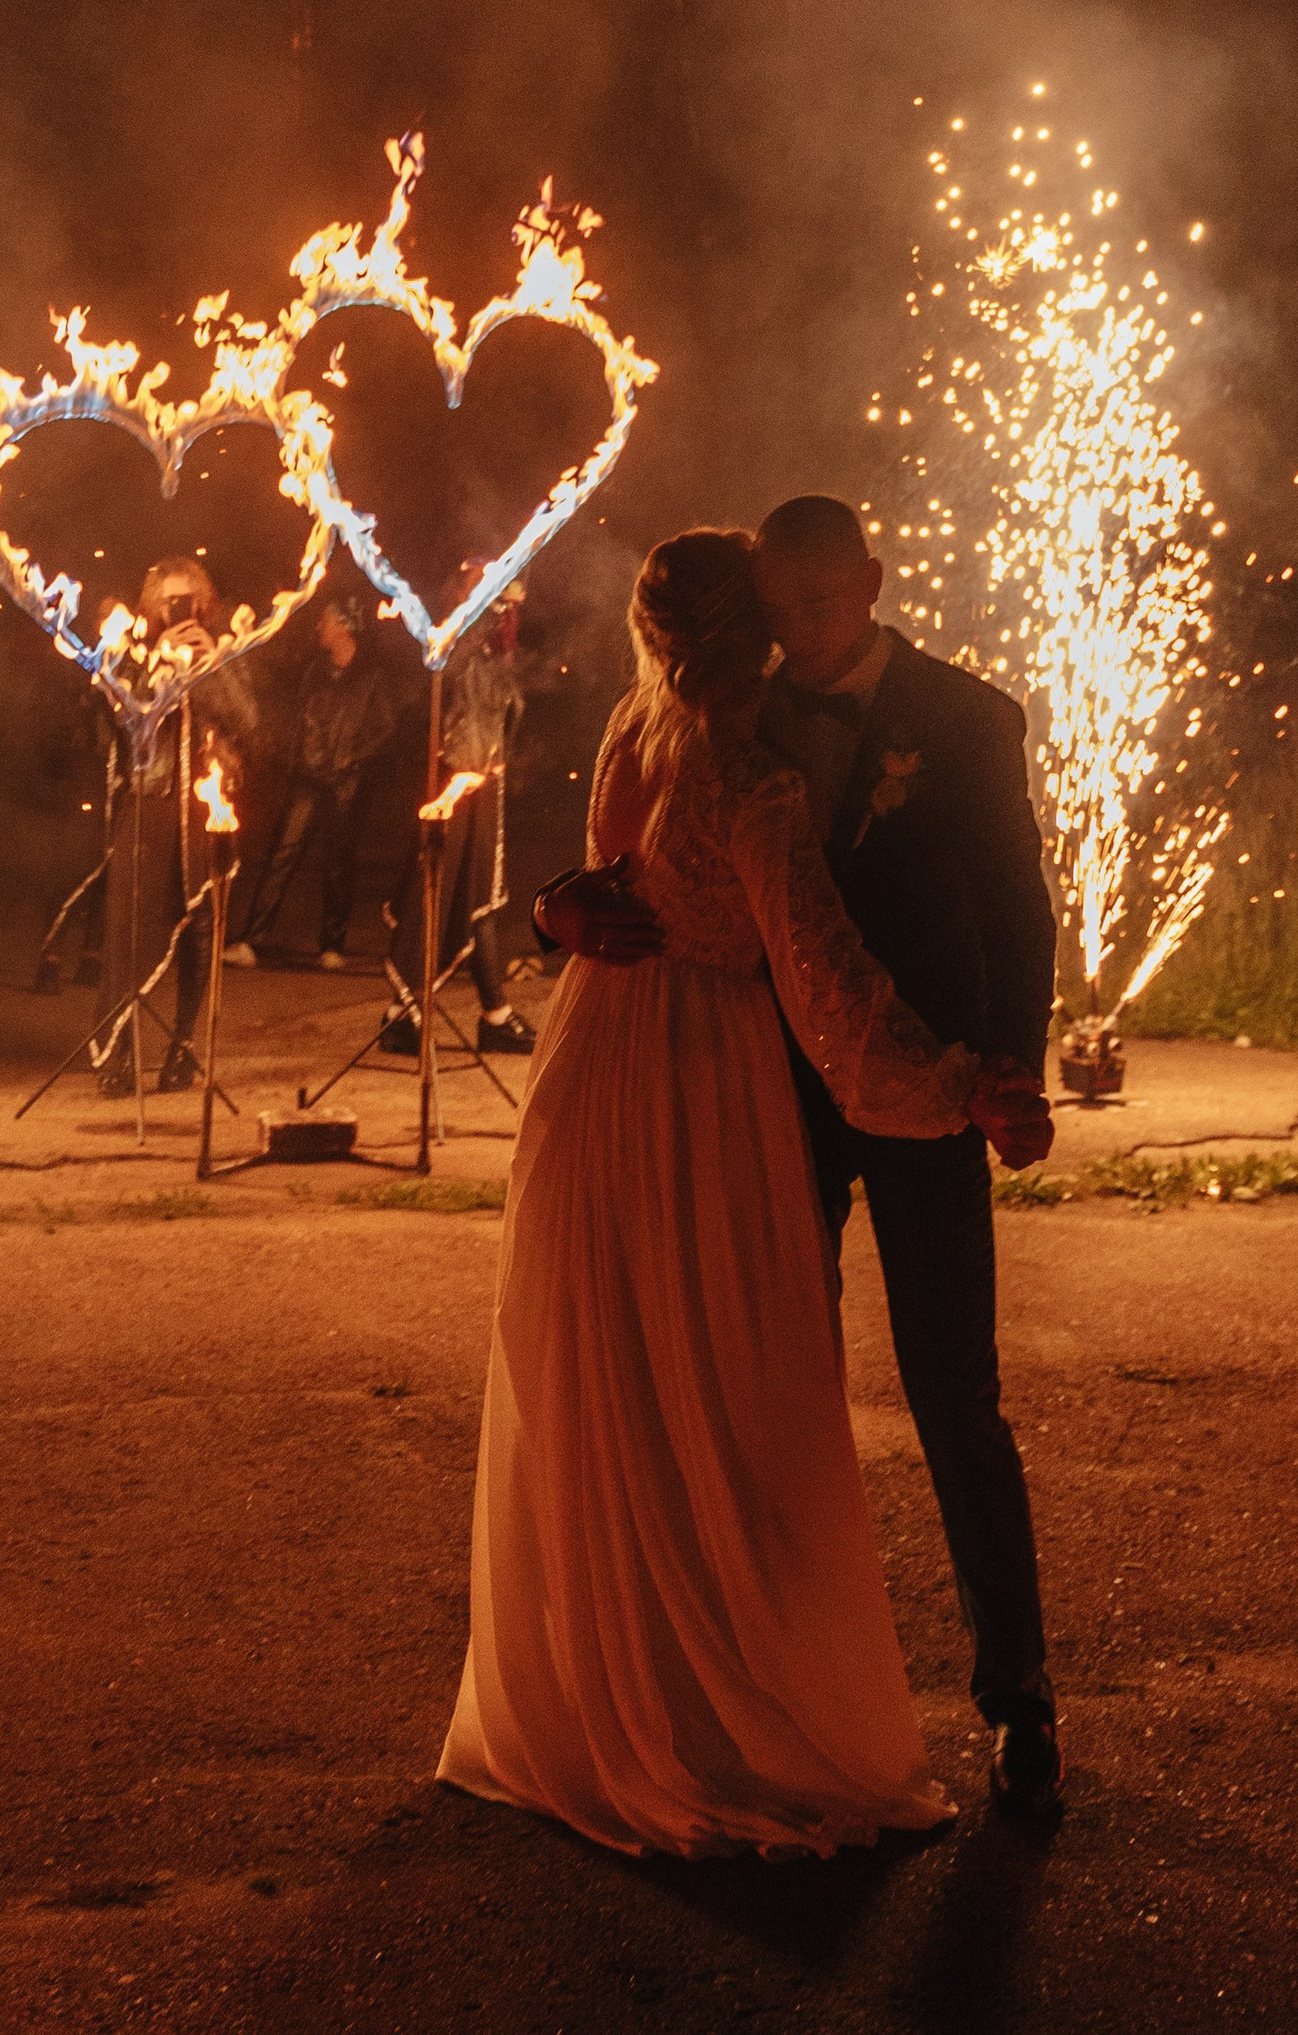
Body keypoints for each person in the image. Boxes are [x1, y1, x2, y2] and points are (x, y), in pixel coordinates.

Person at [441, 529, 1006, 1857]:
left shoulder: (632, 729)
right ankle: (715, 1721)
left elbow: (608, 875)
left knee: (619, 1389)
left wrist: (557, 918)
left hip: (597, 1070)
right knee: (728, 1397)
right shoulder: (748, 778)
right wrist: (953, 1084)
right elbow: (821, 978)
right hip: (702, 1084)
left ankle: (603, 1701)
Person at [91, 556, 257, 1094]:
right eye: (168, 601)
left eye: (187, 601)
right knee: (129, 928)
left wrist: (208, 666)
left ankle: (183, 1045)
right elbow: (123, 719)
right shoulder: (133, 652)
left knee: (200, 929)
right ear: (151, 605)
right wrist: (159, 665)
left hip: (206, 808)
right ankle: (116, 1049)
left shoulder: (222, 649)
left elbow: (248, 721)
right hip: (150, 803)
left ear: (203, 603)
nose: (178, 610)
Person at [376, 570, 535, 1059]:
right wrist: (482, 613)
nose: (504, 607)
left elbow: (505, 720)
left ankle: (493, 1013)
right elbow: (438, 683)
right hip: (449, 780)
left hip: (482, 782)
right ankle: (405, 1013)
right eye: (492, 596)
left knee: (475, 892)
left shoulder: (494, 652)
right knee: (441, 890)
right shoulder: (452, 638)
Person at [224, 590, 392, 969]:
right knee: (282, 854)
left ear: (346, 627)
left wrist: (351, 760)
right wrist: (302, 758)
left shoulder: (371, 677)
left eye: (327, 619)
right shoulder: (314, 671)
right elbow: (302, 719)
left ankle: (331, 945)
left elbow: (384, 729)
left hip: (347, 784)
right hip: (308, 778)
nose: (320, 625)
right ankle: (252, 940)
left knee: (338, 863)